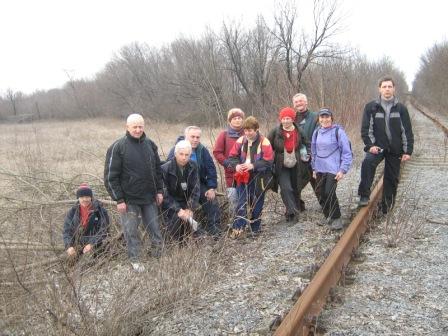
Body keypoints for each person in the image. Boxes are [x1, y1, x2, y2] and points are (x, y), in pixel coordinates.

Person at [104, 113, 163, 272]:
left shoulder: (150, 145)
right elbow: (111, 176)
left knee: (154, 228)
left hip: (149, 197)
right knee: (131, 231)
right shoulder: (118, 147)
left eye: (140, 126)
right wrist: (119, 199)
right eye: (134, 127)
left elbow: (157, 170)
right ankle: (135, 260)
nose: (138, 130)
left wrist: (159, 190)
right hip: (129, 200)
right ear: (127, 127)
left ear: (144, 127)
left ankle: (157, 255)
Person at [358, 76, 414, 214]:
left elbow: (406, 131)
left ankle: (386, 208)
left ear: (394, 89)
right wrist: (370, 145)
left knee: (391, 178)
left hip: (395, 149)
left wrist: (407, 151)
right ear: (379, 89)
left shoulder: (401, 108)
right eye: (384, 86)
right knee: (368, 163)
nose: (387, 89)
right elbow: (366, 129)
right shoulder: (371, 107)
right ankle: (364, 194)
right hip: (377, 146)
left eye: (389, 86)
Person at [167, 126, 221, 237]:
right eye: (192, 137)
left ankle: (214, 230)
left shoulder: (202, 150)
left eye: (198, 137)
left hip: (197, 184)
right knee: (176, 207)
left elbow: (211, 169)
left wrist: (211, 187)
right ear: (186, 136)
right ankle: (181, 235)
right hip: (178, 187)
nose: (195, 139)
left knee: (211, 200)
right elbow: (168, 171)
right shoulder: (176, 149)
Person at [228, 116, 274, 238]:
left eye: (250, 131)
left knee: (257, 202)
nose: (247, 133)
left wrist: (252, 166)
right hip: (242, 176)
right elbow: (231, 157)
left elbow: (269, 161)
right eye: (245, 130)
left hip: (260, 177)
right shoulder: (241, 140)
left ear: (257, 129)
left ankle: (255, 229)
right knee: (241, 202)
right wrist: (236, 165)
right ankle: (239, 229)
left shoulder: (265, 142)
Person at [311, 108, 353, 230]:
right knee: (319, 192)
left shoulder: (338, 132)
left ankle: (337, 218)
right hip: (319, 167)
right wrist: (313, 168)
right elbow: (313, 151)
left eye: (327, 117)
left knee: (329, 191)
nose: (324, 119)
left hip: (333, 168)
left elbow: (346, 152)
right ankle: (328, 215)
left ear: (331, 118)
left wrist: (342, 170)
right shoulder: (317, 132)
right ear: (319, 119)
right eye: (322, 117)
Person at [268, 107, 304, 222]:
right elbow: (268, 147)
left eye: (288, 118)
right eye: (283, 118)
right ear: (280, 119)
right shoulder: (275, 131)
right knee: (285, 188)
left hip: (297, 163)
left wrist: (306, 155)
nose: (286, 121)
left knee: (295, 187)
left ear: (293, 119)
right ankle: (293, 212)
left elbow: (307, 143)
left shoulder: (299, 131)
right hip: (281, 164)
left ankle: (292, 211)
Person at [161, 140, 200, 242]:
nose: (184, 157)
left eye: (187, 155)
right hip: (171, 204)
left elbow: (196, 189)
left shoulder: (193, 166)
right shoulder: (165, 169)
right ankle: (174, 247)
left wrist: (189, 208)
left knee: (193, 226)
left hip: (186, 202)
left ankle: (189, 245)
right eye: (181, 154)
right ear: (175, 153)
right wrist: (178, 209)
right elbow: (164, 194)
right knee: (175, 222)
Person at [63, 183, 109, 261]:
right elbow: (67, 231)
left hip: (96, 244)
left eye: (87, 197)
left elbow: (104, 230)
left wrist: (92, 244)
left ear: (91, 197)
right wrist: (69, 246)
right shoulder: (73, 211)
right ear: (78, 198)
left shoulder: (100, 211)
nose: (85, 199)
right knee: (70, 260)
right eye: (82, 197)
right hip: (78, 244)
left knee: (89, 260)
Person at [213, 108, 245, 213]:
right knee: (234, 200)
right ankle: (235, 225)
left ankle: (246, 224)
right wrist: (227, 164)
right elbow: (217, 152)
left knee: (246, 200)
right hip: (231, 174)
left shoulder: (248, 133)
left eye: (239, 118)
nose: (237, 120)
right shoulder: (224, 135)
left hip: (247, 173)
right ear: (230, 120)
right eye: (234, 118)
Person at [293, 93, 319, 211]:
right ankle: (299, 207)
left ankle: (327, 206)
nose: (299, 103)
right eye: (297, 102)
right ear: (294, 104)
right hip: (297, 158)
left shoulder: (315, 117)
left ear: (306, 102)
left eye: (301, 101)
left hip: (313, 156)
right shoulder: (291, 119)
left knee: (318, 185)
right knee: (295, 185)